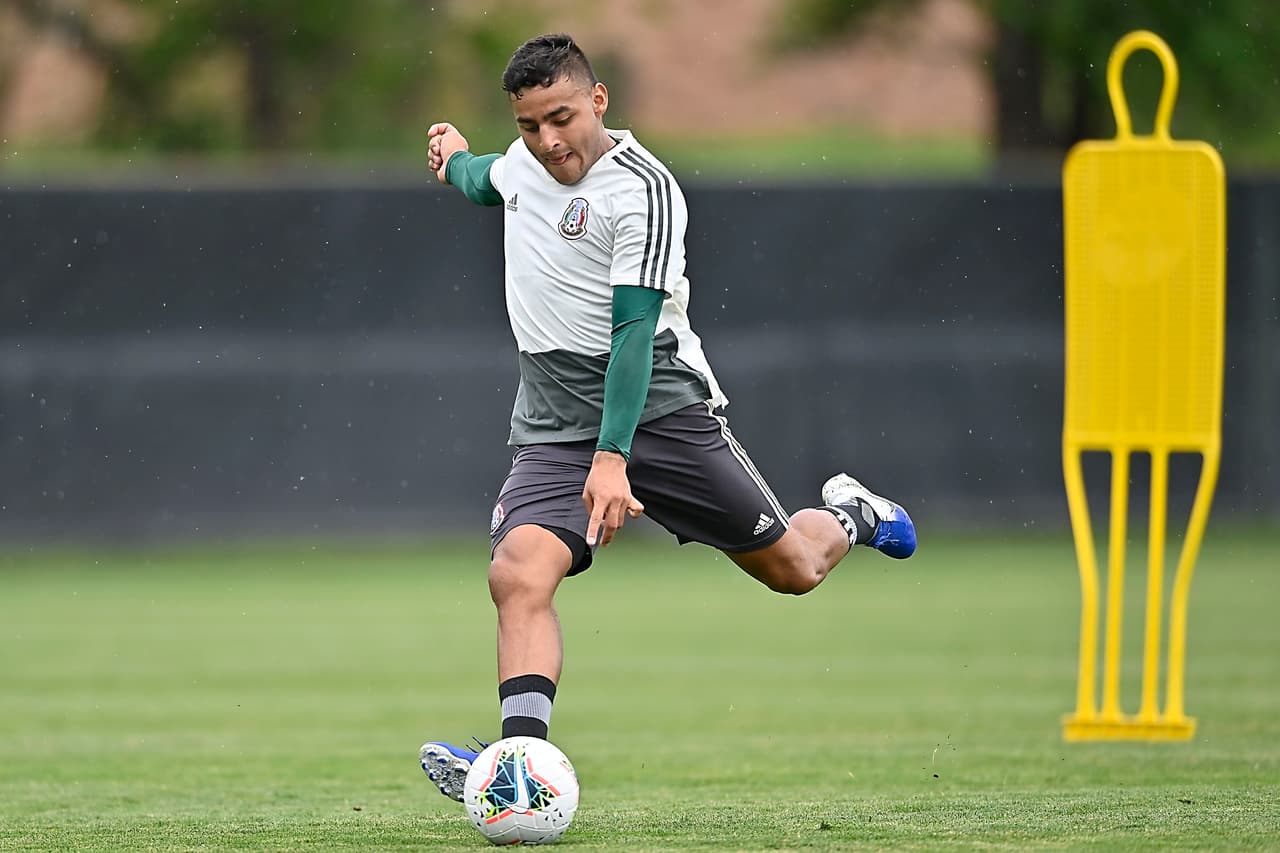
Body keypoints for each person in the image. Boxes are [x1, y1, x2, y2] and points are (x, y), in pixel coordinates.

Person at [418, 33, 916, 802]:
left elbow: (632, 333)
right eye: (529, 125)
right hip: (556, 423)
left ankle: (854, 512)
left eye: (561, 118)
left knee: (793, 569)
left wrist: (612, 456)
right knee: (517, 572)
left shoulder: (643, 189)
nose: (548, 141)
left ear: (598, 100)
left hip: (660, 409)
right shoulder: (522, 163)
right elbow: (487, 180)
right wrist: (454, 156)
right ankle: (521, 765)